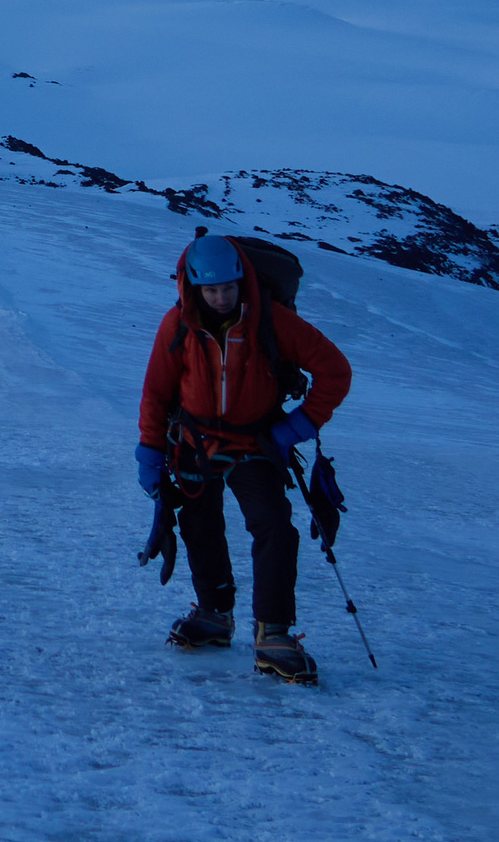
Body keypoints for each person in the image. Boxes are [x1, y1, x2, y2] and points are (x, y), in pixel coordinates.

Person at [135, 232, 352, 683]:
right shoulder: (176, 325)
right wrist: (151, 452)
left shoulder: (271, 321)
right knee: (199, 524)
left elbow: (334, 369)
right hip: (193, 442)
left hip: (255, 443)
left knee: (273, 525)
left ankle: (273, 633)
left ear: (242, 280)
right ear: (191, 286)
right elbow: (156, 392)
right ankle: (214, 615)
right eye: (210, 290)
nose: (220, 298)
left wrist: (297, 426)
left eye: (228, 288)